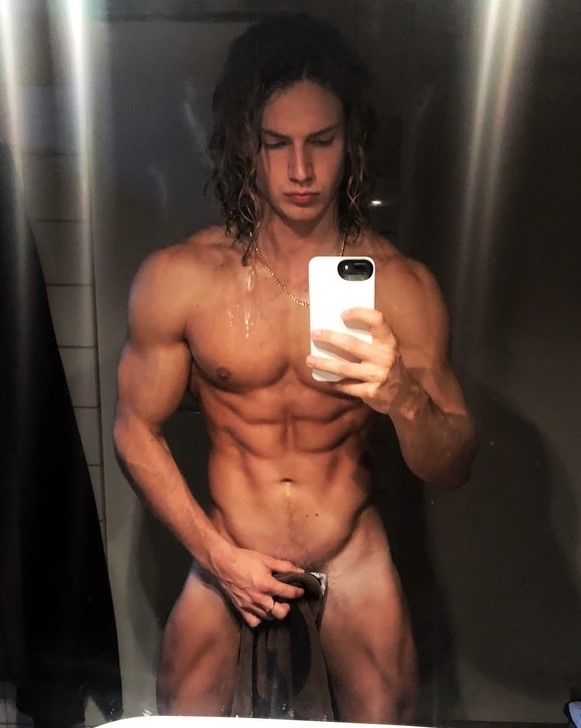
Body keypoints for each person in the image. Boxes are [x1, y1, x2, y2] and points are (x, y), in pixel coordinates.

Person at [113, 12, 477, 724]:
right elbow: (133, 428)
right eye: (275, 143)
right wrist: (217, 556)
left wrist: (402, 394)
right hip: (228, 547)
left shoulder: (400, 285)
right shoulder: (181, 278)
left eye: (321, 141)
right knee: (178, 720)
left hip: (350, 554)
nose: (301, 170)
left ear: (351, 141)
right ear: (242, 145)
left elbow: (454, 465)